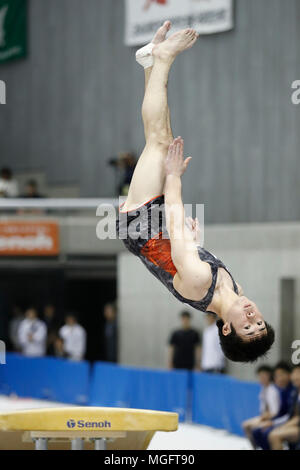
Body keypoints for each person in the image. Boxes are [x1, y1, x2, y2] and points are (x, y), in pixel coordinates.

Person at [116, 21, 275, 363]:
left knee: (159, 142)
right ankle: (150, 62)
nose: (252, 317)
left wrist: (174, 178)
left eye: (249, 327)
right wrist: (194, 243)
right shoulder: (235, 290)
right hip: (160, 229)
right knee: (162, 133)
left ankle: (163, 58)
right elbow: (181, 244)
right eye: (260, 322)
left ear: (227, 330)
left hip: (141, 227)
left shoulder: (201, 283)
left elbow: (173, 224)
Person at [252, 362, 296, 450]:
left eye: (281, 374)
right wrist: (271, 421)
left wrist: (273, 422)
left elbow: (289, 415)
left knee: (267, 433)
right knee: (256, 431)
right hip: (282, 420)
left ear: (289, 375)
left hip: (289, 423)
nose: (279, 379)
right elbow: (279, 413)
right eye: (276, 376)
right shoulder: (280, 390)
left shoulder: (293, 391)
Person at [242, 365, 280, 449]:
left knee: (254, 428)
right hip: (265, 416)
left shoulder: (272, 390)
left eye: (264, 376)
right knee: (245, 425)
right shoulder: (264, 389)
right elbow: (263, 409)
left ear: (270, 376)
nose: (261, 378)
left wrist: (263, 419)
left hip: (272, 418)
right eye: (260, 376)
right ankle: (255, 447)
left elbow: (275, 412)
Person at [268, 365, 300, 450]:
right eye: (294, 373)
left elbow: (297, 418)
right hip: (294, 424)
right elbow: (294, 416)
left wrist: (283, 426)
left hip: (297, 425)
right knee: (272, 433)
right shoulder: (295, 392)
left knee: (274, 435)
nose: (295, 377)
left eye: (298, 373)